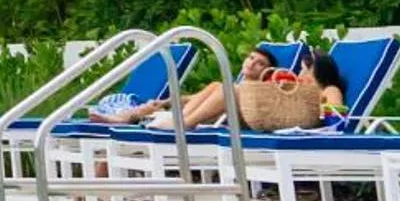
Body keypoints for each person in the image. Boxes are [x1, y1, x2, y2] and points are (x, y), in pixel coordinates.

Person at [110, 45, 277, 128]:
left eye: (260, 63)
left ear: (267, 72)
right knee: (216, 85)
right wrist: (165, 102)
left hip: (239, 122)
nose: (252, 63)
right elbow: (194, 97)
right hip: (206, 116)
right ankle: (138, 115)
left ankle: (179, 123)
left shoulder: (261, 90)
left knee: (226, 88)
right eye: (251, 58)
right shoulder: (234, 86)